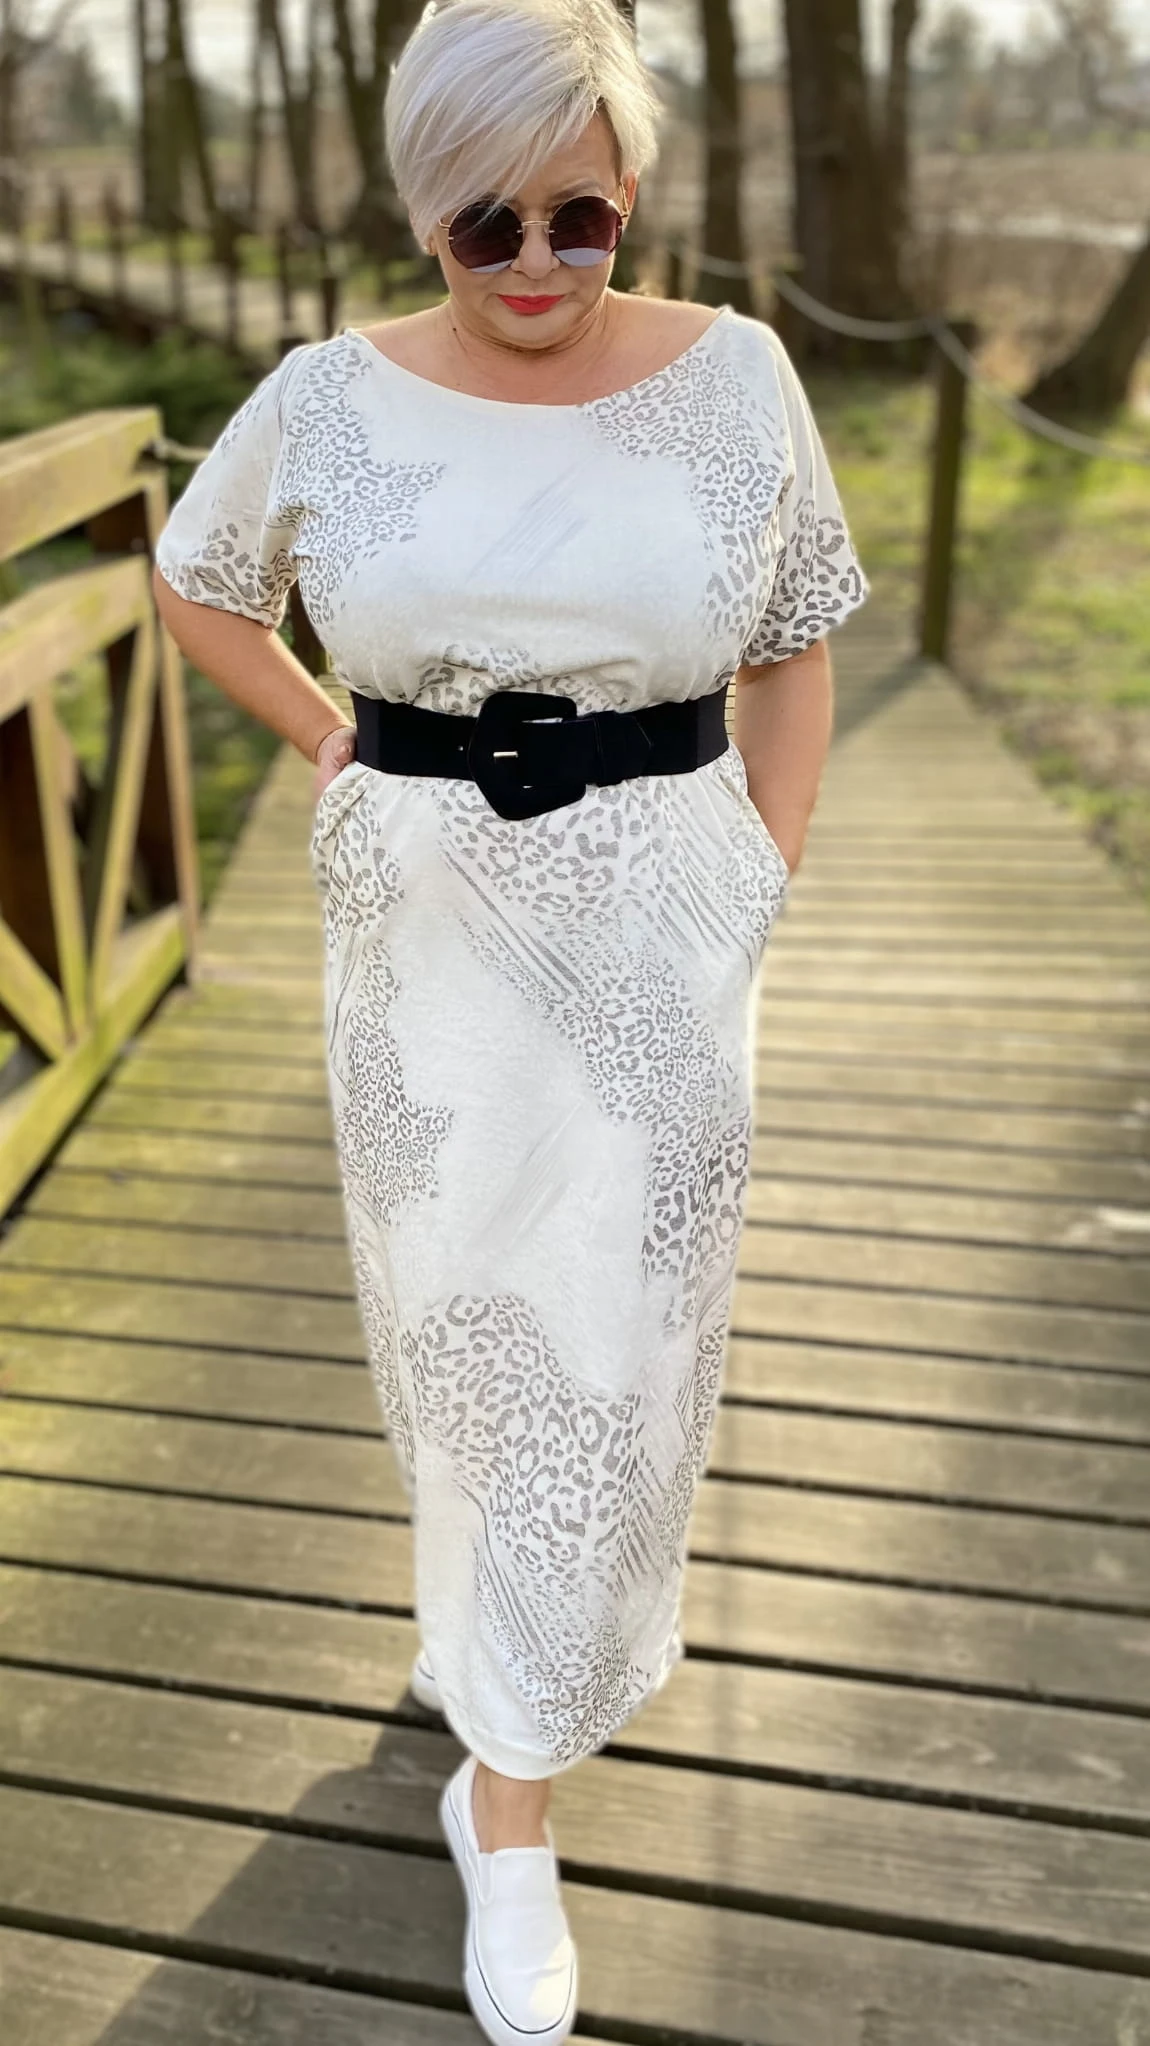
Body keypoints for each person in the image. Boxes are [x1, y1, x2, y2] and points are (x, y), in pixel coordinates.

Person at [153, 0, 868, 2036]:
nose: (539, 258)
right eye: (488, 222)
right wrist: (327, 741)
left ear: (629, 194)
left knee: (623, 1339)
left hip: (662, 936)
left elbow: (797, 634)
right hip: (425, 940)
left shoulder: (735, 375)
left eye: (583, 214)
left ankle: (510, 1786)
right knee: (462, 1333)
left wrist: (760, 873)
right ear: (419, 210)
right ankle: (495, 1690)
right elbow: (196, 577)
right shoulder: (326, 394)